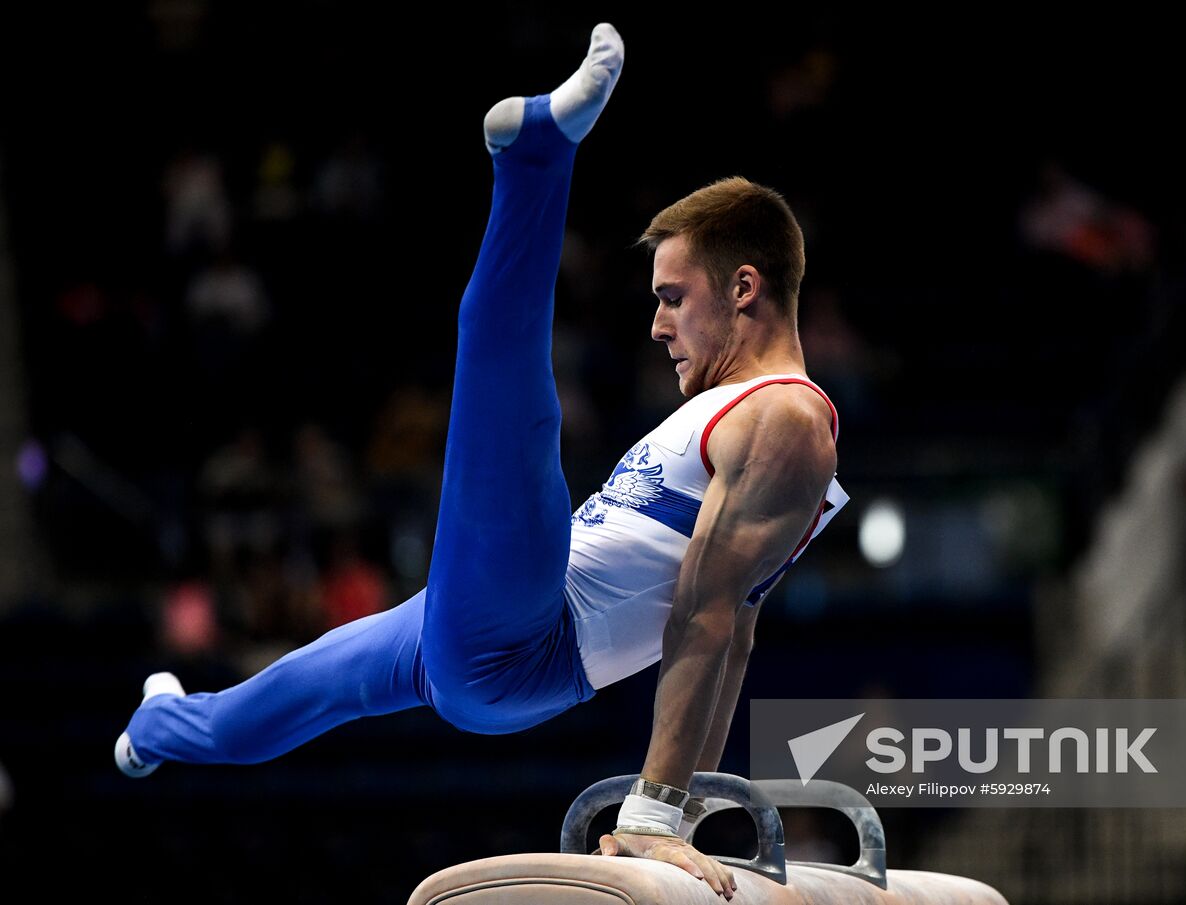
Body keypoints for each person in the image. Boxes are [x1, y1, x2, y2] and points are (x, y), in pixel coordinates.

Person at [114, 23, 846, 900]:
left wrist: (657, 814)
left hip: (527, 637)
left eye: (672, 297)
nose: (656, 325)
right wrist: (675, 808)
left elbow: (713, 618)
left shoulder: (788, 420)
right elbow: (734, 628)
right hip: (483, 626)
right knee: (279, 700)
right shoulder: (729, 416)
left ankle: (534, 159)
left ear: (744, 287)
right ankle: (159, 727)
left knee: (512, 403)